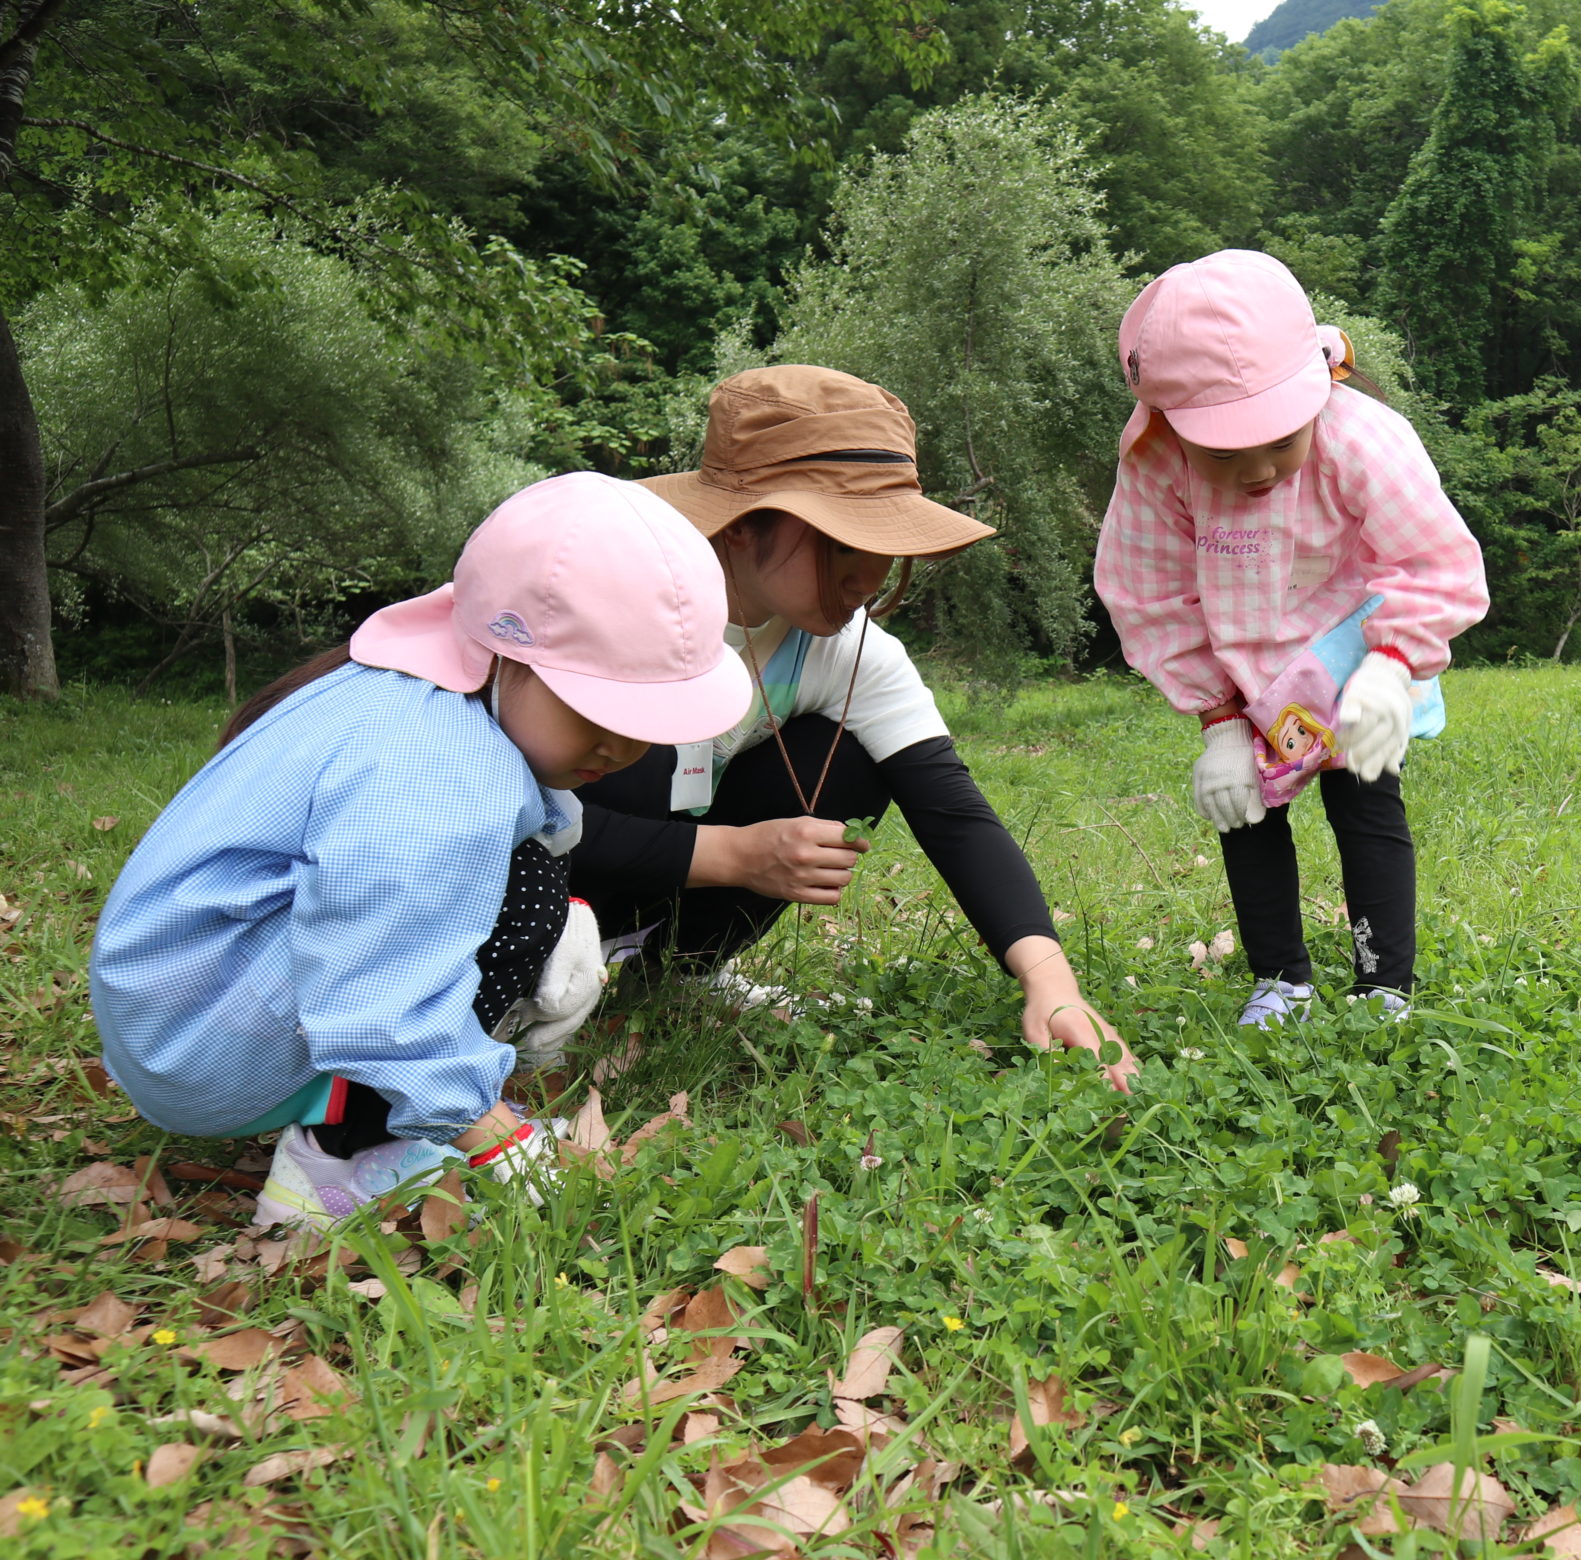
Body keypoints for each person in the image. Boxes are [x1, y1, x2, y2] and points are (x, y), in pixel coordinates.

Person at [92, 473, 750, 1229]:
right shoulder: (437, 770)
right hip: (203, 1048)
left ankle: (357, 1111)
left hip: (179, 1017)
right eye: (595, 707)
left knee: (532, 882)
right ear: (508, 655)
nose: (622, 746)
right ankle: (339, 1160)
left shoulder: (416, 685)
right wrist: (496, 1136)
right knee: (525, 892)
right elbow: (381, 994)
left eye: (646, 722)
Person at [573, 365, 1136, 1090]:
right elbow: (509, 817)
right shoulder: (614, 611)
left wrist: (1051, 982)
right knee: (636, 753)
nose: (867, 577)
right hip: (535, 882)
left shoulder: (848, 648)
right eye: (841, 542)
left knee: (850, 757)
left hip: (668, 872)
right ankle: (541, 980)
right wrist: (734, 854)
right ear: (742, 525)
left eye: (885, 542)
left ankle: (674, 976)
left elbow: (954, 813)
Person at [1093, 250, 1488, 1027]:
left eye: (1279, 441)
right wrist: (1218, 723)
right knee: (1247, 809)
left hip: (1354, 647)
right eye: (1224, 453)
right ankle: (1279, 980)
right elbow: (1150, 592)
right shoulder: (1158, 465)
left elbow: (1431, 558)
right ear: (1170, 425)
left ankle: (1382, 984)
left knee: (1365, 797)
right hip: (1245, 664)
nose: (1259, 471)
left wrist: (1393, 666)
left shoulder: (1360, 435)